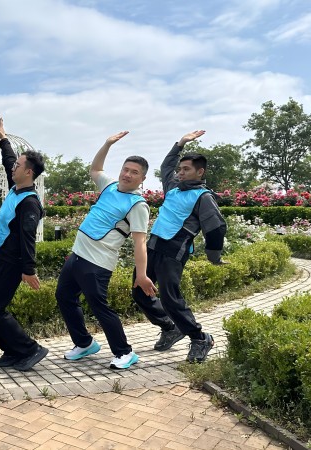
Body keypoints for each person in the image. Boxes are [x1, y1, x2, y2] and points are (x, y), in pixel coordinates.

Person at [56, 131, 155, 370]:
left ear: (142, 179)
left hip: (97, 262)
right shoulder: (110, 186)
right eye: (125, 169)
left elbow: (140, 243)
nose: (127, 174)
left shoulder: (138, 205)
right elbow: (95, 169)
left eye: (134, 172)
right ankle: (84, 343)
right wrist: (107, 144)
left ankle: (125, 352)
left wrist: (142, 275)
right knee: (64, 297)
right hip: (77, 255)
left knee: (99, 307)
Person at [132, 130, 226, 363]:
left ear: (200, 172)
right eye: (180, 169)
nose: (180, 173)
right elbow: (167, 166)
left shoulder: (203, 197)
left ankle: (200, 338)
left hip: (174, 252)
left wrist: (214, 256)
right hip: (152, 247)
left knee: (170, 298)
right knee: (139, 290)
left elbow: (216, 227)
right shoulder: (173, 187)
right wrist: (180, 143)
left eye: (186, 169)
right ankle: (170, 327)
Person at [0, 118, 48, 372]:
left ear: (28, 172)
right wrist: (3, 139)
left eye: (18, 166)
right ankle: (12, 351)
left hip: (11, 262)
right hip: (1, 259)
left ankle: (29, 349)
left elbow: (28, 238)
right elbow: (9, 159)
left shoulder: (29, 202)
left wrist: (28, 269)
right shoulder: (16, 188)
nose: (12, 168)